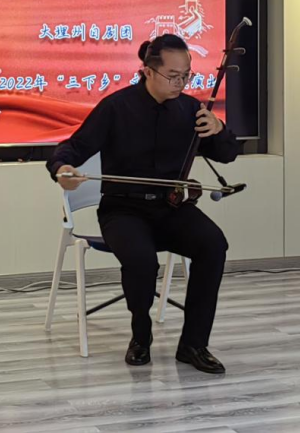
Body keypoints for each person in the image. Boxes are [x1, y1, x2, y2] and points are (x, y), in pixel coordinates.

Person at [46, 34, 240, 374]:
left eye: (187, 75)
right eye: (173, 75)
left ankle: (193, 344)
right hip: (123, 209)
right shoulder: (116, 107)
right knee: (141, 260)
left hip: (171, 208)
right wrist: (62, 169)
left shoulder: (191, 110)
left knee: (213, 245)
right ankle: (140, 335)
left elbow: (227, 155)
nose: (181, 83)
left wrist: (219, 129)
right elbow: (74, 147)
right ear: (148, 71)